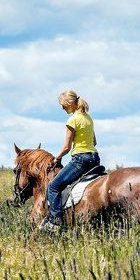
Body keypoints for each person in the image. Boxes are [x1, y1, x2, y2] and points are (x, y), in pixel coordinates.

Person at [40, 90, 100, 231]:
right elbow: (94, 142)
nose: (62, 108)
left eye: (63, 105)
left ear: (69, 103)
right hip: (94, 158)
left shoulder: (72, 120)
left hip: (80, 159)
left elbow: (67, 147)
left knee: (53, 187)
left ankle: (54, 222)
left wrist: (56, 158)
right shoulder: (88, 118)